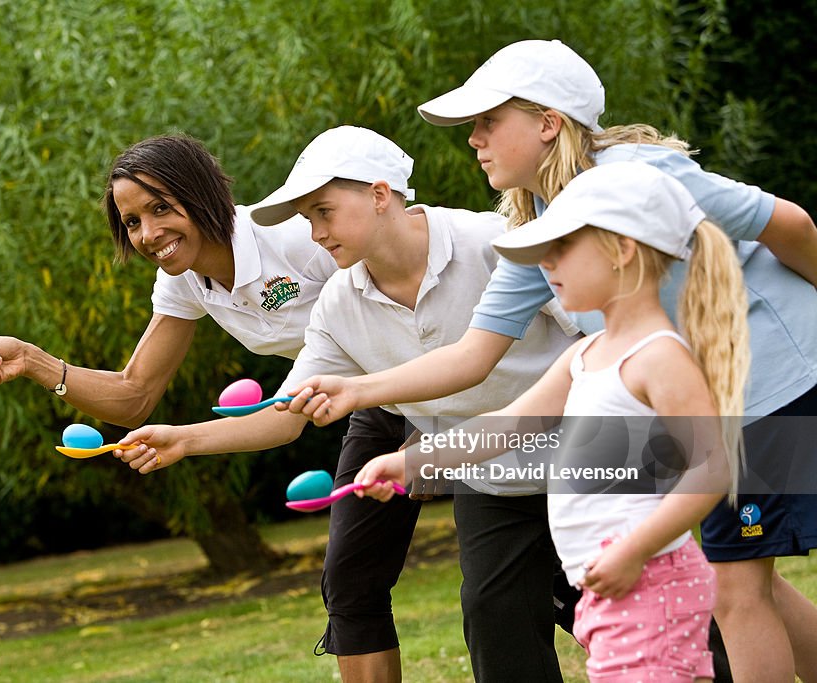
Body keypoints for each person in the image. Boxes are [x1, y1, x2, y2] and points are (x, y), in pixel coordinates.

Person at [286, 39, 817, 682]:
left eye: (489, 122)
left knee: (736, 588)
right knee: (746, 578)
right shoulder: (545, 231)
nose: (474, 140)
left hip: (772, 377)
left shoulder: (639, 180)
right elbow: (474, 357)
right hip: (701, 394)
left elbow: (790, 225)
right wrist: (376, 417)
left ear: (547, 122)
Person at [113, 125, 578, 682]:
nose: (313, 234)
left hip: (585, 451)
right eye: (308, 219)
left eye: (323, 213)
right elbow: (287, 415)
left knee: (623, 603)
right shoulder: (336, 303)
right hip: (487, 471)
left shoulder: (492, 241)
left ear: (380, 196)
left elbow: (599, 340)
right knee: (492, 614)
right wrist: (183, 439)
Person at [355, 161, 747, 682]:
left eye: (562, 249)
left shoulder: (658, 357)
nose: (546, 263)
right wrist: (414, 459)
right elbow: (509, 423)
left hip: (650, 579)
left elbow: (711, 469)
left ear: (622, 250)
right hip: (612, 582)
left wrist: (633, 552)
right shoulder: (586, 354)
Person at [0, 133, 338, 429]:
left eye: (160, 208)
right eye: (132, 222)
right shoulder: (182, 281)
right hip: (368, 405)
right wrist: (33, 361)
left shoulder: (294, 234)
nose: (148, 235)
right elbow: (134, 396)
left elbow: (395, 257)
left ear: (200, 195)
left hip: (394, 378)